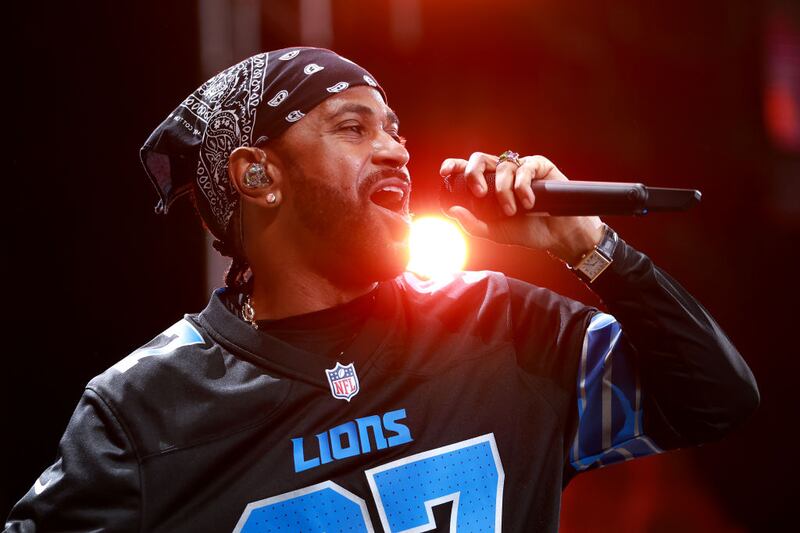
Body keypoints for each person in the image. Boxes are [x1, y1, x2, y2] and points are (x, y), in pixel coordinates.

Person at [5, 47, 758, 532]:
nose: (397, 148)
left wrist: (591, 248)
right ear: (258, 174)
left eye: (394, 127)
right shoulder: (140, 414)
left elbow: (716, 399)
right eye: (354, 127)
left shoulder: (499, 324)